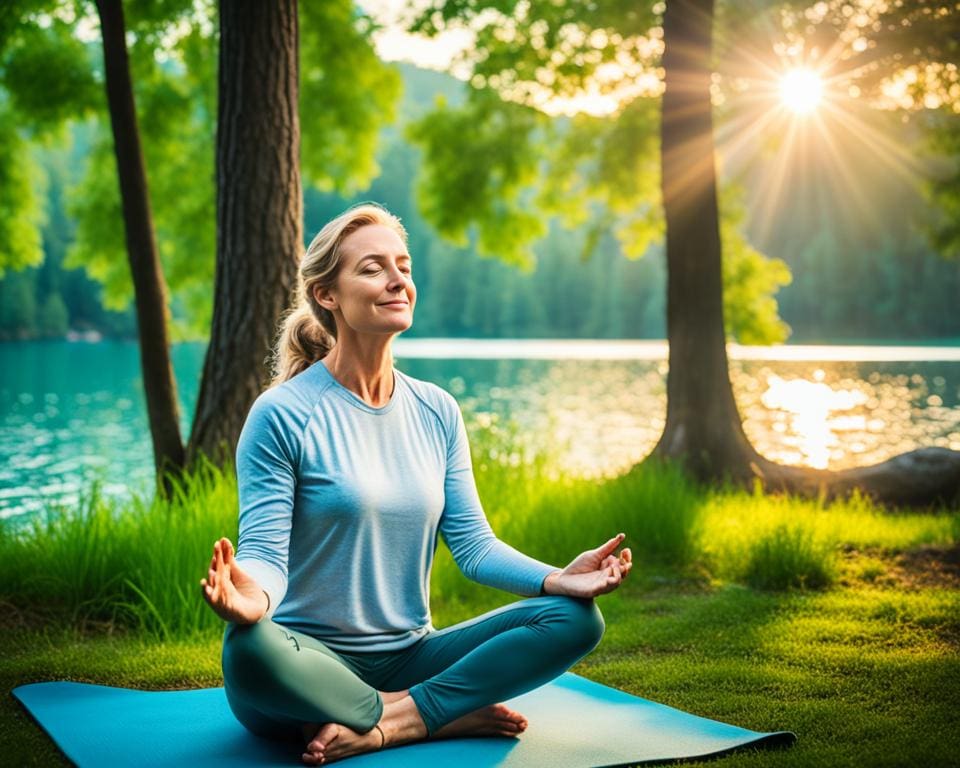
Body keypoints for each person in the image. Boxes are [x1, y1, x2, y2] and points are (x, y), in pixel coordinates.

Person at [200, 202, 633, 766]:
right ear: (327, 295)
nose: (396, 279)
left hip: (410, 655)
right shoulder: (282, 413)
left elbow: (474, 547)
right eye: (373, 268)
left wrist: (556, 579)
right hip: (306, 662)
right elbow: (264, 555)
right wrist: (251, 598)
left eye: (403, 266)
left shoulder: (437, 409)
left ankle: (390, 722)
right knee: (248, 649)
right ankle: (435, 712)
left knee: (574, 618)